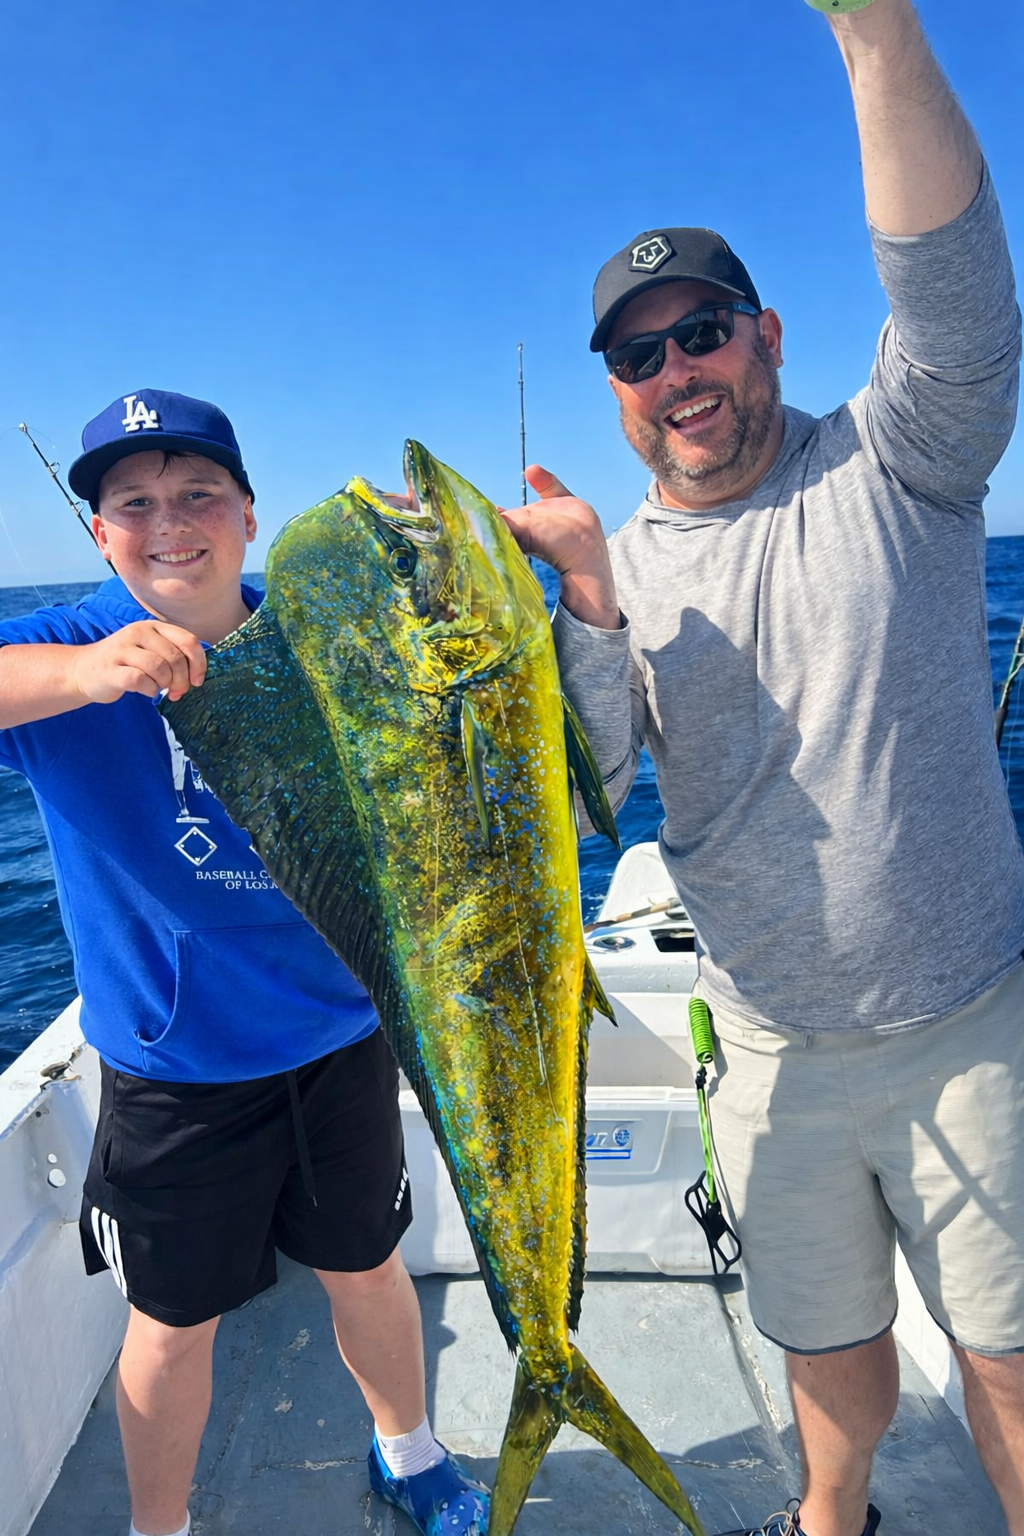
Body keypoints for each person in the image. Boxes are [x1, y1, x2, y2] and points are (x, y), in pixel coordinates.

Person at [502, 2, 1024, 1534]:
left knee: (1004, 1364)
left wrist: (873, 33)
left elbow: (958, 292)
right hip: (771, 1051)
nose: (676, 371)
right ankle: (825, 1520)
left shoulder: (904, 454)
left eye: (702, 331)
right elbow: (588, 799)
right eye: (638, 355)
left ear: (766, 335)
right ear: (617, 391)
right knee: (828, 1351)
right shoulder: (624, 571)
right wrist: (587, 602)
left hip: (970, 1020)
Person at [0, 389, 490, 1536]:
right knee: (174, 1322)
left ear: (249, 516)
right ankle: (158, 1527)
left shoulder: (322, 636)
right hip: (175, 1070)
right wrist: (86, 677)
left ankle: (408, 1453)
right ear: (99, 533)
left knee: (370, 1266)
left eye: (198, 494)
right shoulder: (62, 647)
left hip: (342, 1031)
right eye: (135, 503)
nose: (170, 522)